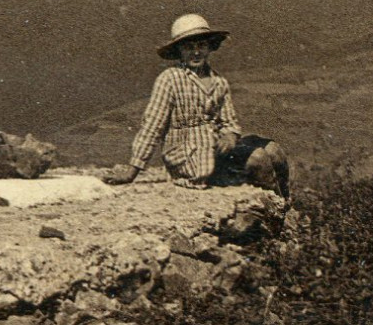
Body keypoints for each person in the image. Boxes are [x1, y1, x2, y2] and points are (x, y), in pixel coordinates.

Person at [114, 14, 289, 197]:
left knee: (274, 151)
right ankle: (273, 206)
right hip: (189, 158)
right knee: (258, 158)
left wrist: (229, 136)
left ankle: (284, 202)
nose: (196, 52)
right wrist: (133, 169)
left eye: (201, 46)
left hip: (214, 151)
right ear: (179, 51)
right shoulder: (170, 80)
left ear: (209, 47)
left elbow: (229, 122)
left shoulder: (218, 81)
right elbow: (152, 126)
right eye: (189, 47)